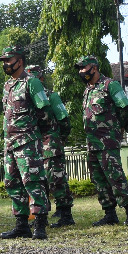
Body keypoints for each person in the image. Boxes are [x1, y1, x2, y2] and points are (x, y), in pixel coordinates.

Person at [0, 45, 53, 240]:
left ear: (19, 61)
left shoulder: (32, 82)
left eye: (8, 60)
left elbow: (44, 112)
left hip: (27, 142)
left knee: (33, 182)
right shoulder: (7, 86)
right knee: (12, 183)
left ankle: (39, 224)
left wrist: (40, 134)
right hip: (10, 144)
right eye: (3, 61)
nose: (5, 64)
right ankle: (21, 224)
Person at [77, 54, 128, 227]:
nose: (81, 72)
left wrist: (120, 128)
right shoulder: (88, 89)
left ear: (94, 68)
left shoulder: (110, 85)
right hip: (92, 143)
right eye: (80, 69)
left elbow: (125, 107)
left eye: (84, 68)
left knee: (115, 176)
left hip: (107, 142)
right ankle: (110, 214)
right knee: (99, 180)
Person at [27, 65, 75, 227]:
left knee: (56, 179)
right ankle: (42, 216)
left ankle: (66, 214)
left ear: (40, 79)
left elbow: (64, 120)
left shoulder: (51, 96)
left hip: (50, 144)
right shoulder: (25, 98)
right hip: (33, 146)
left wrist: (60, 138)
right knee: (38, 182)